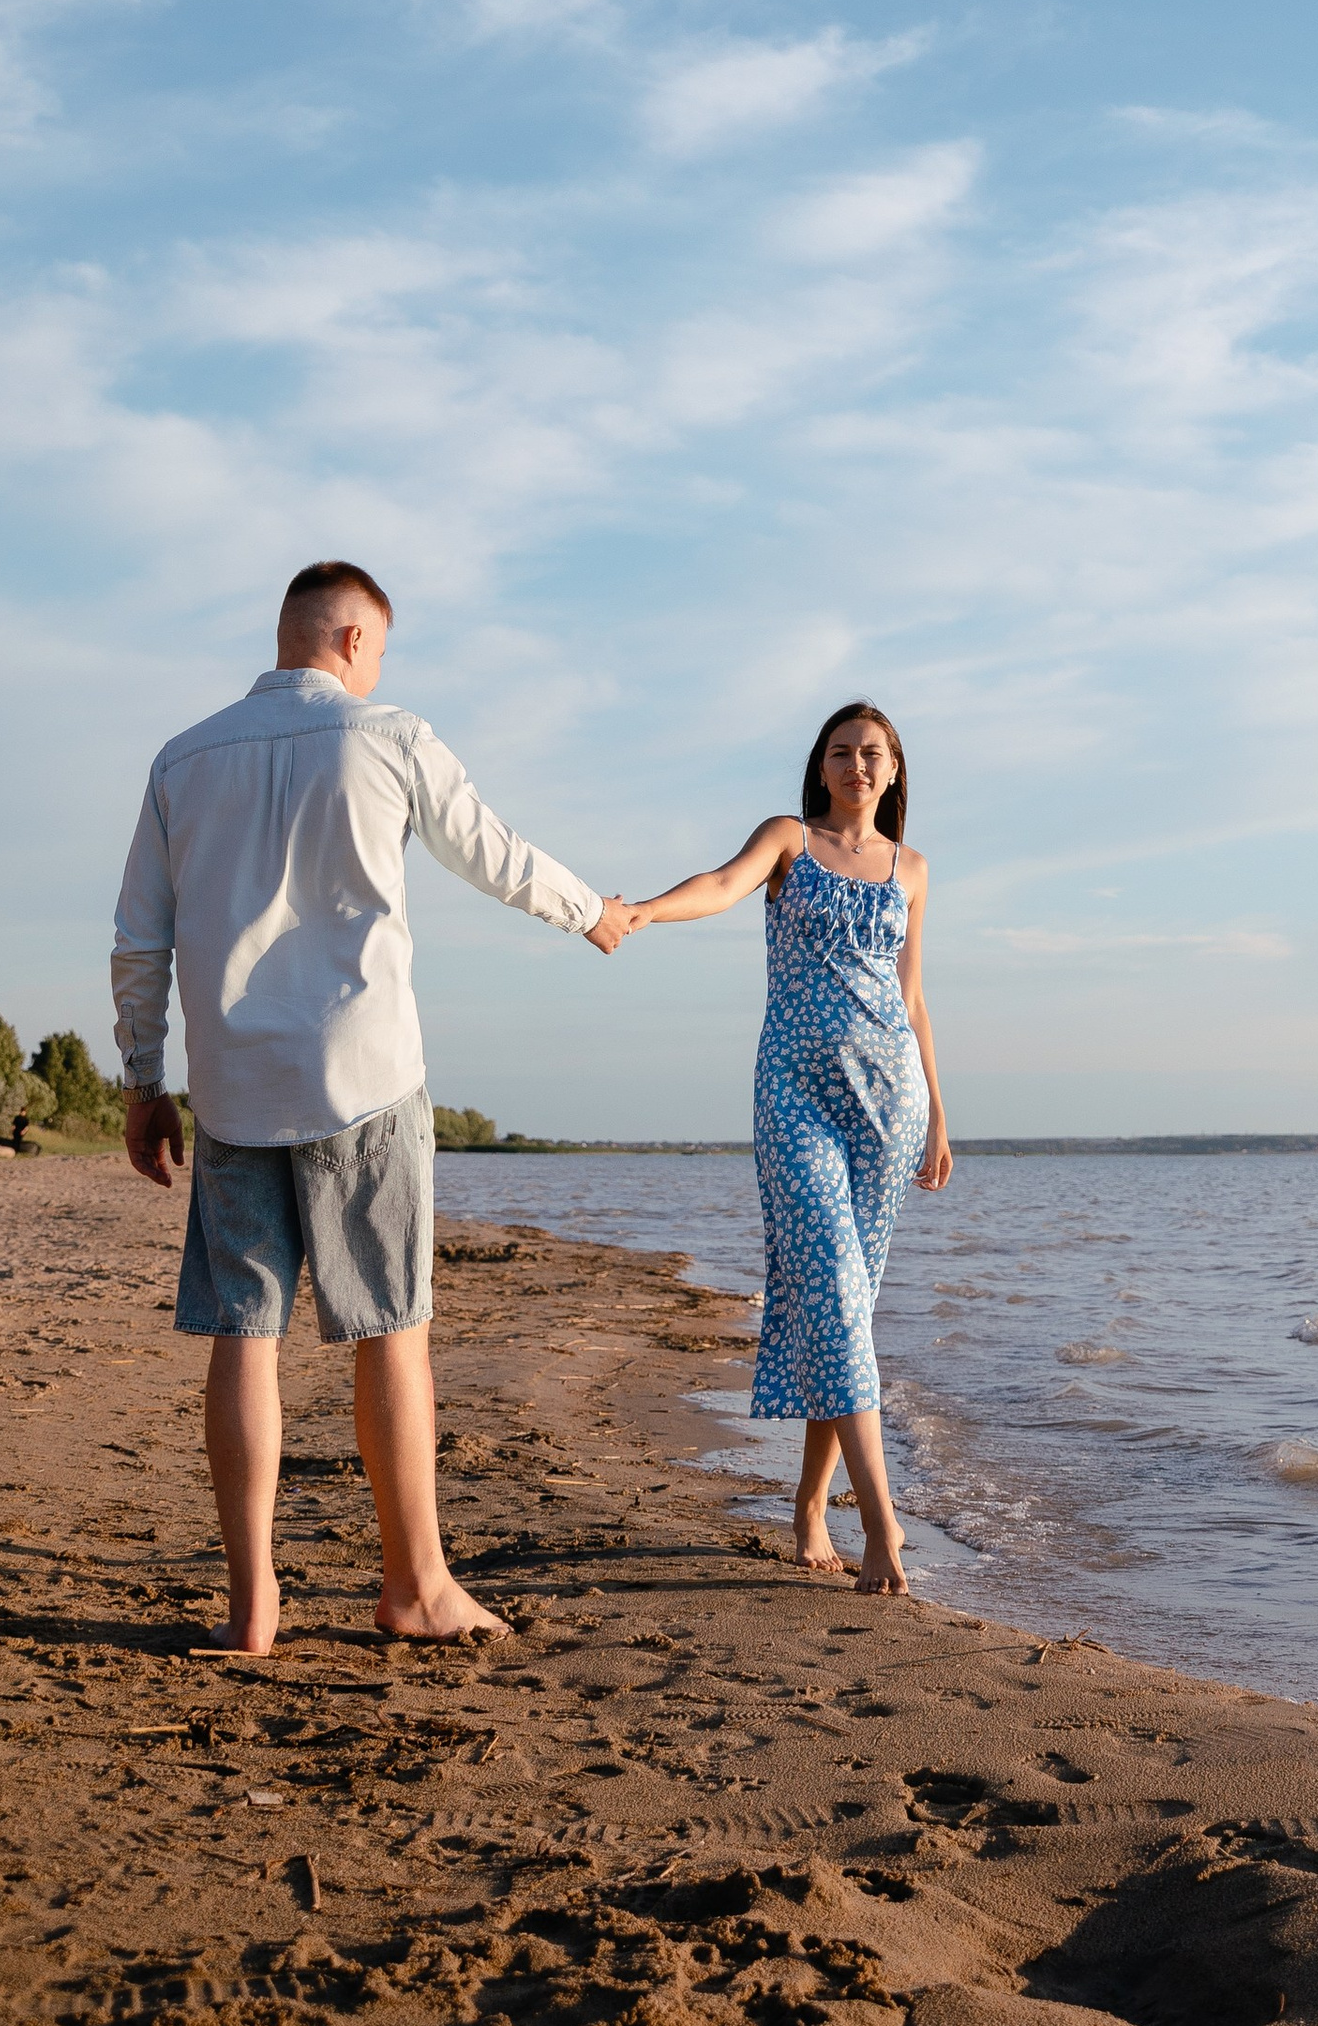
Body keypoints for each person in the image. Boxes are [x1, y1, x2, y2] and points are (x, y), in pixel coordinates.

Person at [111, 560, 641, 1653]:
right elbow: (490, 854)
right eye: (381, 652)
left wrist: (140, 1080)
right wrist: (591, 913)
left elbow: (138, 940)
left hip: (232, 1088)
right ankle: (413, 1585)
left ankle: (253, 1604)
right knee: (391, 1329)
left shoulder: (182, 757)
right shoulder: (387, 733)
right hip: (364, 1078)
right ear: (353, 640)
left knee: (243, 1335)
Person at [626, 701, 950, 1593]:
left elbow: (913, 997)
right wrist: (649, 911)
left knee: (844, 1304)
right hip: (793, 1094)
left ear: (892, 771)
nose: (857, 765)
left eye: (872, 754)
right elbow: (720, 884)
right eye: (842, 752)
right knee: (838, 1293)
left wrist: (940, 1112)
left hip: (890, 1103)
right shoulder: (789, 842)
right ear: (821, 767)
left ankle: (809, 1505)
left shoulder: (912, 869)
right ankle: (883, 1527)